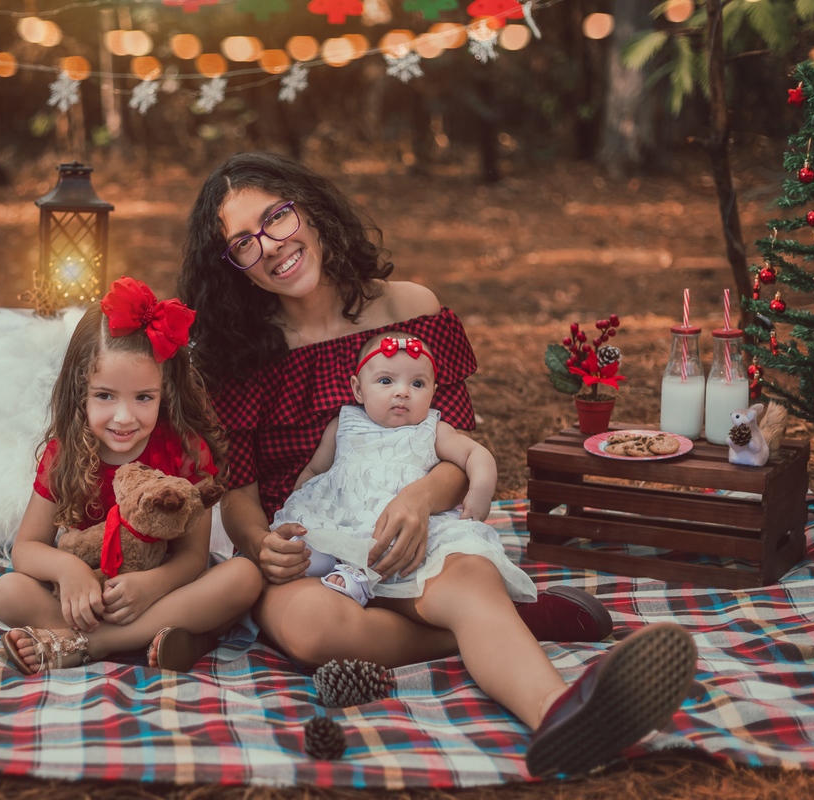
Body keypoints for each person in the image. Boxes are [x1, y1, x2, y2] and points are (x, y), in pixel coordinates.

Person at [177, 152, 696, 776]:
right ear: (232, 267)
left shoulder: (410, 309)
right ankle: (503, 624)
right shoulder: (235, 354)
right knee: (312, 631)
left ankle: (562, 714)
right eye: (243, 242)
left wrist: (421, 500)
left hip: (413, 525)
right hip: (311, 544)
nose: (271, 246)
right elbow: (237, 491)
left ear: (310, 210)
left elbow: (453, 453)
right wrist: (261, 543)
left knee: (466, 581)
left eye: (277, 217)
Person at [0, 277, 262, 675]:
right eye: (105, 395)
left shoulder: (184, 450)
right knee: (7, 592)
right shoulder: (65, 454)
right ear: (80, 391)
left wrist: (151, 584)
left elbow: (192, 558)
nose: (124, 417)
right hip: (92, 596)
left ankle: (92, 644)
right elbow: (26, 548)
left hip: (164, 590)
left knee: (243, 577)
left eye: (143, 398)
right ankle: (173, 638)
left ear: (165, 392)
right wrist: (71, 572)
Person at [274, 332, 535, 607]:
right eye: (386, 381)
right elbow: (315, 470)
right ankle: (328, 564)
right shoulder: (343, 423)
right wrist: (300, 501)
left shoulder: (432, 428)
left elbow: (475, 453)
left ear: (433, 392)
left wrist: (481, 490)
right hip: (339, 516)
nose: (402, 392)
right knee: (307, 547)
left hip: (400, 526)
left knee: (431, 550)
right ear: (358, 389)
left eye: (418, 383)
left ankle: (360, 576)